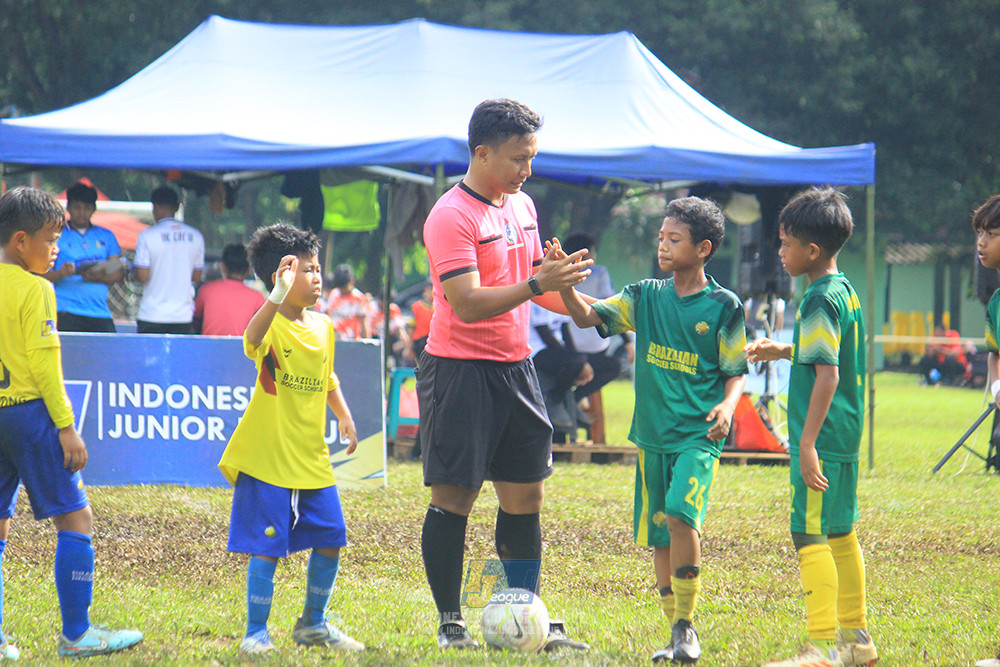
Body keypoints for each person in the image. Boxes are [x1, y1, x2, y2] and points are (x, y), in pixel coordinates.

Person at [417, 98, 593, 650]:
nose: (527, 170)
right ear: (482, 153)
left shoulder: (523, 206)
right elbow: (468, 303)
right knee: (455, 499)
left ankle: (521, 616)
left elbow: (537, 287)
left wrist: (603, 310)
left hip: (518, 369)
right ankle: (451, 623)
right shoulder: (451, 216)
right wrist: (540, 283)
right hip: (459, 371)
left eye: (532, 157)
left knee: (525, 499)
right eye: (519, 158)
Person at [558, 196, 748, 664]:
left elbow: (736, 369)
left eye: (674, 239)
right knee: (661, 533)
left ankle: (686, 626)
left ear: (703, 249)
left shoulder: (724, 306)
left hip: (699, 434)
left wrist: (727, 405)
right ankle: (676, 630)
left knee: (682, 515)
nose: (662, 246)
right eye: (661, 237)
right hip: (652, 436)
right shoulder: (644, 295)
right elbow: (587, 316)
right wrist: (563, 285)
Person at [0, 186, 143, 659]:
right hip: (30, 416)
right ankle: (78, 635)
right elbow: (45, 368)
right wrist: (66, 427)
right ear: (20, 241)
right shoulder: (37, 288)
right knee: (76, 518)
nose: (56, 249)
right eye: (50, 239)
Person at [744, 187, 877, 667]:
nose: (779, 252)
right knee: (840, 532)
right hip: (844, 431)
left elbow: (828, 375)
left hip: (822, 435)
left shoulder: (818, 299)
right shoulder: (842, 289)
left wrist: (805, 444)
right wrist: (783, 349)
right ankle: (857, 642)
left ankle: (820, 649)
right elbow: (829, 352)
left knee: (809, 534)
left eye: (786, 244)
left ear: (812, 250)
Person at [217, 223, 363, 656]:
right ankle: (255, 633)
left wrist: (344, 415)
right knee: (266, 547)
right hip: (268, 458)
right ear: (279, 276)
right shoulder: (271, 326)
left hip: (311, 457)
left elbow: (327, 377)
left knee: (332, 537)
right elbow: (252, 339)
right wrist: (276, 296)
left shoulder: (324, 326)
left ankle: (313, 624)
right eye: (306, 270)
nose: (317, 277)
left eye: (318, 269)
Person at [561, 232, 634, 420]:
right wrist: (627, 340)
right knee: (612, 367)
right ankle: (577, 398)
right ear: (586, 254)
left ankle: (573, 400)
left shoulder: (559, 275)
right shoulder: (599, 273)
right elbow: (610, 306)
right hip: (596, 346)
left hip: (568, 347)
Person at [972, 193, 1000, 667]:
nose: (981, 242)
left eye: (991, 233)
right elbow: (995, 353)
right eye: (978, 233)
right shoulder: (996, 300)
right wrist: (995, 386)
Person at [44, 181, 124, 332]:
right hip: (66, 311)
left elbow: (118, 273)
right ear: (68, 207)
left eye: (86, 208)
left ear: (94, 209)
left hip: (100, 312)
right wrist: (61, 273)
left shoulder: (107, 236)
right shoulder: (55, 235)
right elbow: (40, 275)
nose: (82, 212)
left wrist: (96, 277)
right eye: (77, 207)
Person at [133, 186, 205, 334]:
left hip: (152, 315)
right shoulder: (196, 236)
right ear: (177, 207)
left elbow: (142, 276)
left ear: (155, 207)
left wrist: (131, 274)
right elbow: (197, 277)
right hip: (183, 316)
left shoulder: (147, 236)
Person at [528, 301, 593, 433]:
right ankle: (554, 399)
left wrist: (580, 363)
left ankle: (574, 400)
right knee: (576, 361)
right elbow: (546, 336)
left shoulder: (561, 297)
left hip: (557, 351)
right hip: (536, 352)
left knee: (611, 365)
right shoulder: (536, 300)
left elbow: (566, 332)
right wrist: (576, 361)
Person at [193, 242, 266, 335]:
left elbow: (196, 319)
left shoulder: (206, 290)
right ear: (249, 270)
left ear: (223, 267)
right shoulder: (258, 298)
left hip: (209, 344)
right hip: (241, 345)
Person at [319, 263, 370, 340]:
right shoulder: (334, 294)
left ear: (352, 282)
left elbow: (363, 322)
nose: (342, 290)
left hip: (352, 340)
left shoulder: (359, 298)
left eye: (344, 287)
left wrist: (366, 341)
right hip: (334, 338)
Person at [917, 322, 969, 386]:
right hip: (941, 364)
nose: (937, 334)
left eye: (938, 331)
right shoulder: (935, 336)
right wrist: (931, 350)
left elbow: (955, 354)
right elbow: (930, 353)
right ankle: (928, 381)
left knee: (949, 359)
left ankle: (950, 381)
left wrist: (941, 350)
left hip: (956, 364)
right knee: (925, 360)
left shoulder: (953, 334)